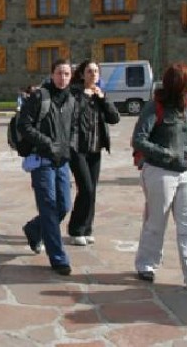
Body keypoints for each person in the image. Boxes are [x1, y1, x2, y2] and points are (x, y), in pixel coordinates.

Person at [132, 63, 187, 295]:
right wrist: (166, 154)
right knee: (156, 222)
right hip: (160, 172)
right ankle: (146, 264)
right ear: (178, 85)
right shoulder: (155, 107)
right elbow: (139, 139)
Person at [17, 59, 76, 275]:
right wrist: (48, 143)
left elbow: (74, 127)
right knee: (49, 208)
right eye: (59, 73)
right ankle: (58, 257)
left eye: (67, 74)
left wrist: (70, 146)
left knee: (64, 206)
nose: (63, 77)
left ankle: (34, 228)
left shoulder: (70, 99)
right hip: (42, 160)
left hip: (62, 161)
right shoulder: (39, 97)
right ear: (52, 74)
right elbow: (24, 125)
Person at [67, 60, 120, 246]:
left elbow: (114, 118)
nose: (93, 74)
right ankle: (75, 229)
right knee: (86, 188)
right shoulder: (74, 93)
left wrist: (102, 98)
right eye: (89, 71)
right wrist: (85, 95)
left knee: (92, 191)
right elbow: (72, 115)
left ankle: (87, 227)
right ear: (82, 74)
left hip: (95, 149)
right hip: (77, 148)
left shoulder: (100, 95)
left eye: (96, 71)